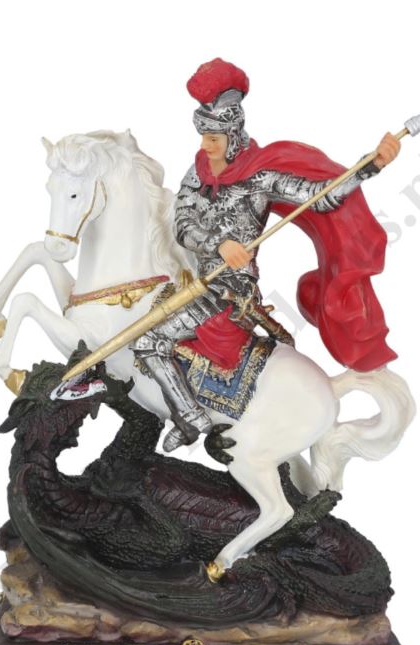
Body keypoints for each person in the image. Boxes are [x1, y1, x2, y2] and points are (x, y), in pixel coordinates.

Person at [131, 58, 400, 453]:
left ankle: (190, 419)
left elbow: (320, 197)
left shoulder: (261, 179)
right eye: (203, 136)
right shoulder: (198, 172)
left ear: (233, 134)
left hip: (229, 289)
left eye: (214, 138)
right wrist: (217, 244)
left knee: (149, 341)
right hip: (197, 277)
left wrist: (369, 167)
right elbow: (183, 225)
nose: (206, 146)